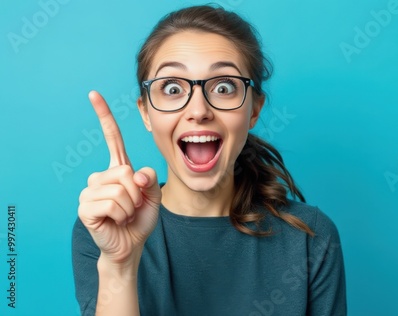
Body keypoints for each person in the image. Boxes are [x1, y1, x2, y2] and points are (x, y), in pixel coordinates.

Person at [72, 5, 346, 316]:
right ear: (146, 112)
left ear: (254, 109)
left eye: (224, 87)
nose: (199, 110)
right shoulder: (105, 226)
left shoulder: (310, 237)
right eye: (173, 88)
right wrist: (119, 266)